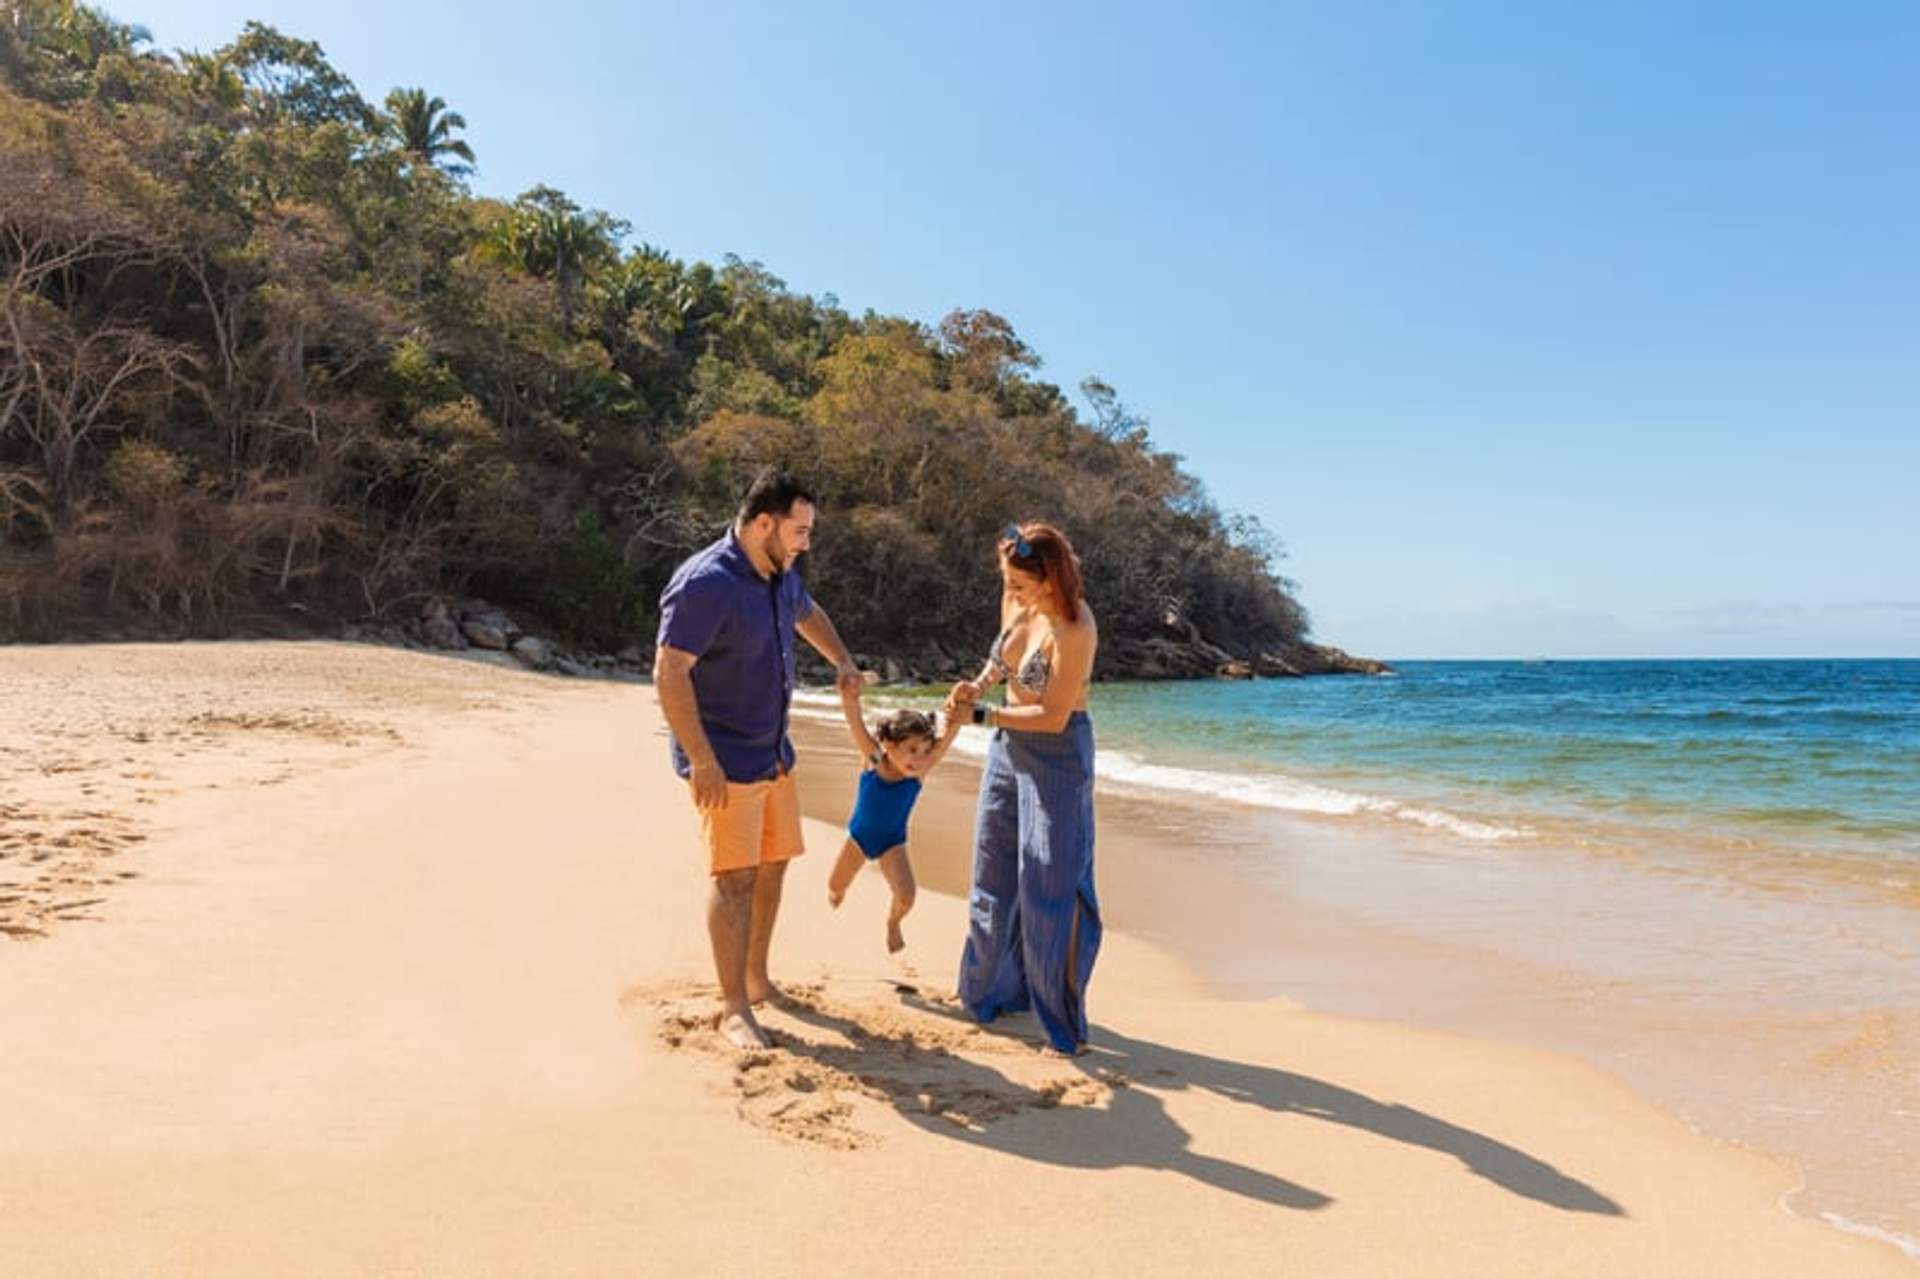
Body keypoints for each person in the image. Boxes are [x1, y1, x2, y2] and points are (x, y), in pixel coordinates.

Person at [654, 470, 861, 1050]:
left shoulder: (781, 575)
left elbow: (808, 612)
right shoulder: (705, 583)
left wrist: (842, 660)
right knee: (735, 878)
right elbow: (669, 672)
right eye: (799, 531)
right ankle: (733, 1008)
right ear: (763, 524)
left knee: (774, 865)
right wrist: (701, 759)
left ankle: (756, 978)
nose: (805, 543)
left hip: (774, 753)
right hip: (724, 758)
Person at [948, 522, 1101, 1056]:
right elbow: (1002, 658)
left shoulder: (1075, 628)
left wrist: (984, 713)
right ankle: (986, 994)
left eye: (1019, 583)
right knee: (992, 875)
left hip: (1058, 756)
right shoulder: (1017, 601)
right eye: (1007, 582)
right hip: (1008, 749)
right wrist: (978, 685)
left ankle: (1060, 1023)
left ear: (1049, 577)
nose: (1010, 591)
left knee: (1048, 885)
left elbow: (1055, 715)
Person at [826, 684, 964, 954]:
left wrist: (956, 713)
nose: (919, 758)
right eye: (912, 749)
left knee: (907, 897)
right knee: (835, 886)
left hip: (893, 842)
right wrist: (848, 698)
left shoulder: (918, 773)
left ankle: (893, 923)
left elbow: (946, 740)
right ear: (889, 745)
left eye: (925, 750)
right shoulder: (874, 761)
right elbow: (856, 725)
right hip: (858, 839)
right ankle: (838, 891)